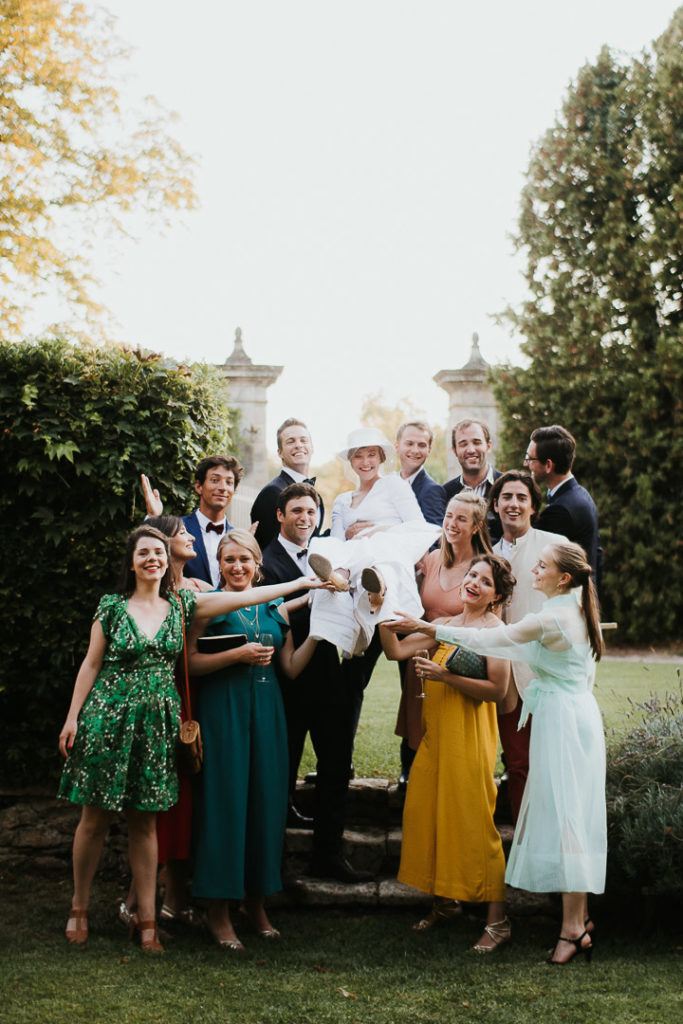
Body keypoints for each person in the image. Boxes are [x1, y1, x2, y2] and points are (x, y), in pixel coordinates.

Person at [58, 525, 323, 953]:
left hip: (160, 721)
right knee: (95, 818)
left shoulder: (182, 603)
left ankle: (147, 921)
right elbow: (90, 665)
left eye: (158, 553)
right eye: (143, 552)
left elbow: (244, 597)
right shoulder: (111, 607)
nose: (153, 559)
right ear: (131, 562)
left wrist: (300, 582)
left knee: (147, 822)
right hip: (109, 716)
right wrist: (72, 718)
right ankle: (79, 907)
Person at [388, 540, 606, 965]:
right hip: (571, 716)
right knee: (569, 820)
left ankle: (573, 928)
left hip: (564, 723)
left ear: (563, 578)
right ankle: (576, 921)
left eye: (541, 566)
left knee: (568, 824)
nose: (533, 570)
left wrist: (430, 627)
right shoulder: (573, 608)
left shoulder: (553, 616)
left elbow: (497, 639)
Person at [188, 529, 324, 948]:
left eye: (245, 560)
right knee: (225, 807)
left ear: (256, 565)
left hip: (267, 713)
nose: (238, 567)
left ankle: (257, 901)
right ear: (220, 565)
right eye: (229, 560)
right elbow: (189, 664)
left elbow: (290, 668)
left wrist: (318, 634)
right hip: (222, 713)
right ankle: (217, 908)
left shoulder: (273, 608)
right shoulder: (208, 605)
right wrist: (235, 655)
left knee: (265, 807)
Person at [382, 555, 513, 951]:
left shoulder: (496, 631)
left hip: (470, 740)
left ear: (496, 596)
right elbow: (395, 651)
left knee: (475, 825)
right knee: (431, 815)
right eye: (471, 575)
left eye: (484, 581)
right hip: (436, 738)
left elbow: (499, 691)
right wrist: (381, 609)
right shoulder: (448, 626)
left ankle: (498, 922)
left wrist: (445, 676)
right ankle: (445, 902)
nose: (473, 582)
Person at [261, 484, 370, 882]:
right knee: (281, 770)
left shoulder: (330, 554)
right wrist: (309, 594)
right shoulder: (266, 562)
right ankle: (270, 861)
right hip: (283, 683)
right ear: (280, 515)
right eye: (297, 511)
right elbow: (263, 612)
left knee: (336, 766)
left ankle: (327, 854)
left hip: (327, 677)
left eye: (311, 512)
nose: (305, 518)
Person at [118, 515, 212, 929]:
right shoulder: (158, 593)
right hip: (155, 702)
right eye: (181, 534)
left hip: (187, 702)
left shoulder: (194, 589)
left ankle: (173, 897)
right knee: (158, 808)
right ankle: (139, 900)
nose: (191, 536)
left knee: (182, 801)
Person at [392, 493, 492, 784]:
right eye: (449, 516)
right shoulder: (434, 559)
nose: (452, 523)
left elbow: (489, 625)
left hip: (456, 667)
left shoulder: (484, 569)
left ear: (476, 526)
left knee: (451, 751)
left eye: (462, 518)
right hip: (420, 660)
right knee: (419, 743)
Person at [489, 470, 567, 822]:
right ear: (495, 504)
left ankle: (555, 843)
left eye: (522, 497)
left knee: (554, 764)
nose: (514, 504)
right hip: (506, 676)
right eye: (506, 497)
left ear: (534, 505)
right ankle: (524, 847)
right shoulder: (487, 555)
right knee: (518, 765)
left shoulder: (556, 546)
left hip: (548, 674)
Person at [141, 454, 244, 586]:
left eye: (229, 482)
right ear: (198, 487)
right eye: (214, 480)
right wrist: (152, 518)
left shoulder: (239, 537)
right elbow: (147, 555)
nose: (223, 487)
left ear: (234, 490)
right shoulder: (177, 529)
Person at [524, 425, 601, 584]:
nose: (526, 464)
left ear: (548, 466)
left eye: (530, 458)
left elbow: (529, 551)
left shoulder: (561, 510)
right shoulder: (579, 494)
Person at [250, 419, 324, 551]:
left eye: (303, 440)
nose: (298, 445)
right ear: (280, 453)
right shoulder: (272, 493)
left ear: (312, 448)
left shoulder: (316, 496)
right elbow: (267, 550)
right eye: (291, 441)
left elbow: (313, 541)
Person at [443, 419, 502, 541]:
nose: (471, 450)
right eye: (463, 444)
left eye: (477, 442)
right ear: (454, 450)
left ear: (488, 446)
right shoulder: (445, 492)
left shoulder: (506, 486)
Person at [394, 421, 446, 526]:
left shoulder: (432, 491)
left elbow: (435, 537)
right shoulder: (389, 483)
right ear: (397, 447)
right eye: (409, 444)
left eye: (421, 445)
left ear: (429, 450)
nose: (415, 450)